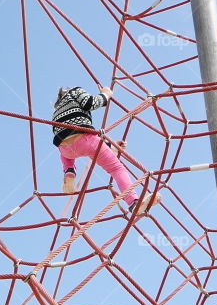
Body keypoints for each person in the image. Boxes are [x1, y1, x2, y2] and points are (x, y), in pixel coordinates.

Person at [52, 84, 159, 219]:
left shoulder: (57, 110)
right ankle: (133, 202)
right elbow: (90, 103)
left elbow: (79, 140)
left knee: (67, 147)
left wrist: (110, 146)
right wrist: (106, 94)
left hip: (65, 149)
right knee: (117, 168)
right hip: (85, 140)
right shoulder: (76, 91)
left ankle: (69, 171)